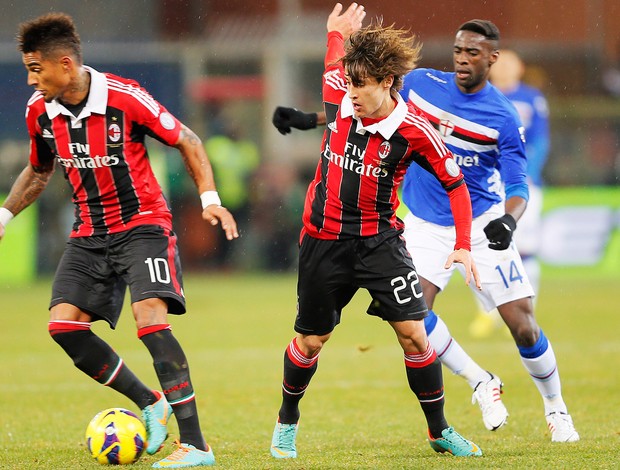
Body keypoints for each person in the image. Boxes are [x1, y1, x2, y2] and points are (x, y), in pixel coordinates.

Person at [272, 19, 579, 444]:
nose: (462, 58)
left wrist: (509, 220)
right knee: (417, 318)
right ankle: (479, 380)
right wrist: (308, 120)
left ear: (492, 58)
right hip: (423, 221)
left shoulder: (504, 117)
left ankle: (556, 407)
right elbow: (358, 108)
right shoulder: (419, 83)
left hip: (483, 220)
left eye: (473, 52)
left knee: (522, 324)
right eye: (457, 50)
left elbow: (517, 183)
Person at [0, 13, 239, 468]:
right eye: (28, 69)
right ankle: (150, 402)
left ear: (65, 64)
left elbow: (187, 139)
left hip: (143, 224)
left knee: (149, 320)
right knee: (63, 327)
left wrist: (209, 197)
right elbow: (39, 168)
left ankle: (196, 446)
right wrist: (5, 214)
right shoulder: (40, 111)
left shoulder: (124, 98)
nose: (32, 80)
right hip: (89, 232)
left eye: (36, 68)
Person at [270, 2, 484, 461]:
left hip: (379, 242)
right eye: (348, 82)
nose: (351, 93)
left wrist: (464, 245)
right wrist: (334, 32)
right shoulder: (339, 93)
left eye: (361, 85)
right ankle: (287, 421)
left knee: (414, 334)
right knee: (311, 341)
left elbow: (455, 184)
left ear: (387, 82)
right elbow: (334, 60)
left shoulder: (414, 131)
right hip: (322, 240)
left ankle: (439, 430)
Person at [469, 48, 551, 338]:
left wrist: (526, 173)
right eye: (498, 63)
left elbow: (541, 141)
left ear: (520, 67)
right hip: (488, 185)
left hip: (523, 184)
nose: (503, 68)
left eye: (509, 63)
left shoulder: (531, 98)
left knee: (525, 249)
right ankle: (487, 313)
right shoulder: (480, 95)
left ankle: (527, 309)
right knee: (481, 247)